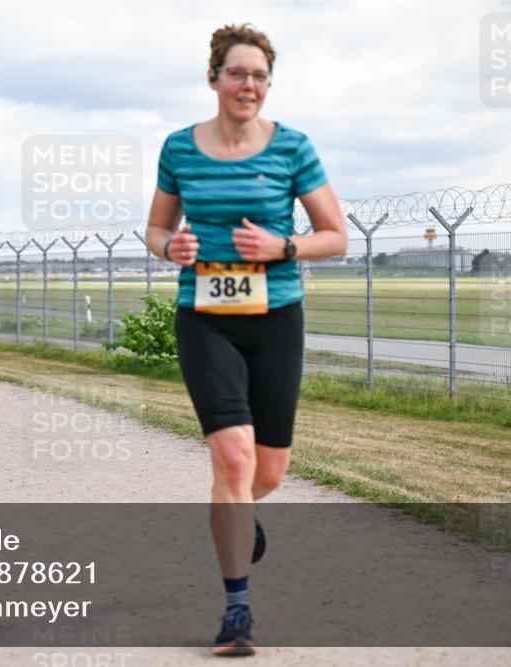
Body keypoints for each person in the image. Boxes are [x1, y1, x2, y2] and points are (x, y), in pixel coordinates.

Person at [145, 24, 347, 656]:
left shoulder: (293, 149)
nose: (249, 85)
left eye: (260, 75)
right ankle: (237, 612)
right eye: (237, 73)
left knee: (268, 471)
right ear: (214, 78)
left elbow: (335, 235)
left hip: (276, 317)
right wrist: (170, 248)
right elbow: (155, 229)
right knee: (232, 459)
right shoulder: (180, 148)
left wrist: (284, 245)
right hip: (204, 316)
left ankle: (234, 512)